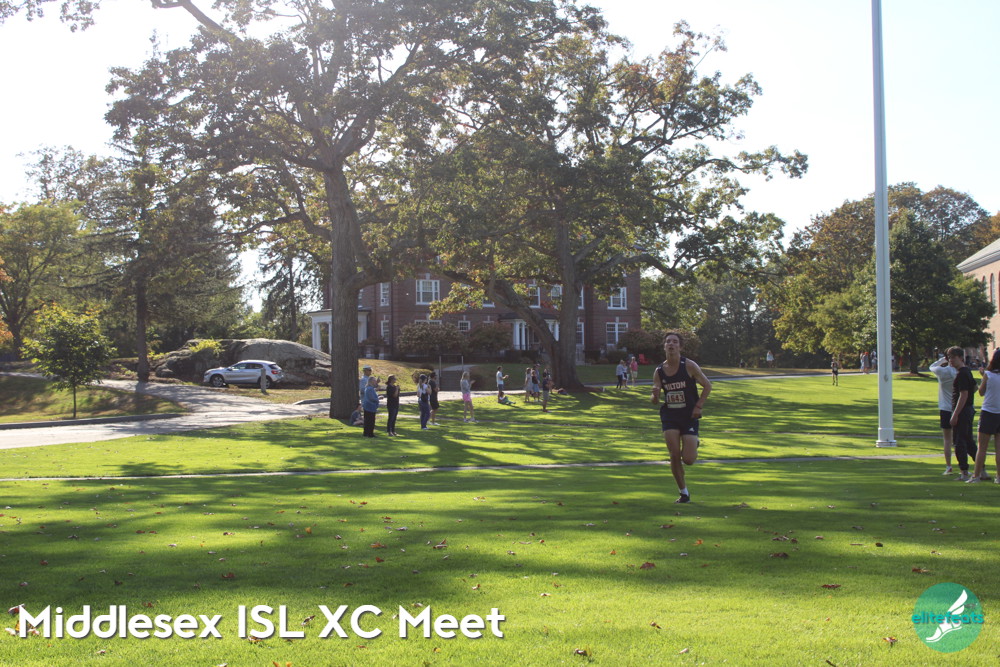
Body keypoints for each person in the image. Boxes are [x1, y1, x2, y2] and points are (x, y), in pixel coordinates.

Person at [651, 331, 712, 504]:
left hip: (689, 415)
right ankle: (683, 493)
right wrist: (655, 395)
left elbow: (707, 386)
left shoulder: (689, 365)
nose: (671, 344)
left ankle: (694, 442)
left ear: (680, 346)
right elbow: (654, 401)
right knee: (674, 454)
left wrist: (698, 406)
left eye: (675, 342)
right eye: (668, 341)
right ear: (664, 346)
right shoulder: (659, 371)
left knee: (689, 459)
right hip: (670, 416)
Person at [947, 346, 978, 481]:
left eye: (953, 357)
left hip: (963, 411)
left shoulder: (962, 374)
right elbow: (974, 387)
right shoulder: (967, 372)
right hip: (968, 409)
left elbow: (964, 394)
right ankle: (981, 468)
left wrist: (955, 414)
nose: (951, 360)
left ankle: (964, 471)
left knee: (959, 442)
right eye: (949, 357)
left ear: (960, 358)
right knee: (968, 441)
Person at [970, 350, 1000, 483]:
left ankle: (976, 476)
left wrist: (983, 377)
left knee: (982, 448)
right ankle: (998, 477)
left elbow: (981, 392)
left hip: (988, 412)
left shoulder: (988, 374)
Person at [929, 354, 956, 475]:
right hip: (958, 408)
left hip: (945, 409)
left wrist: (942, 359)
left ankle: (948, 466)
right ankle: (963, 467)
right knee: (960, 439)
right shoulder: (959, 372)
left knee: (947, 440)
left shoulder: (942, 372)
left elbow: (932, 366)